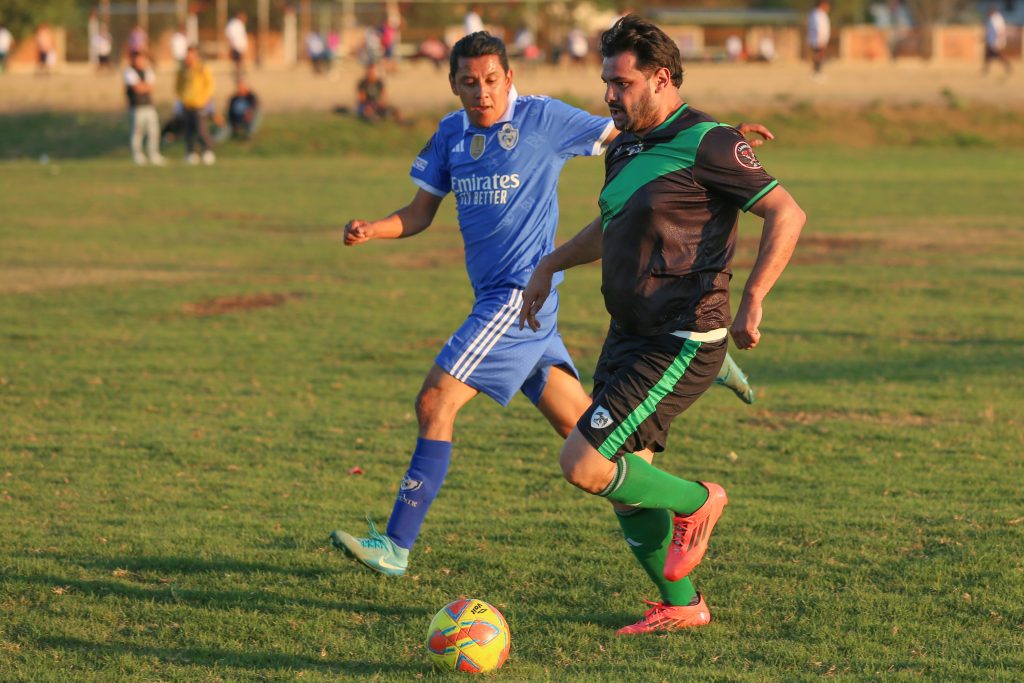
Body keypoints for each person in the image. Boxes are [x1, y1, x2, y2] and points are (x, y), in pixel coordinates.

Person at [329, 31, 770, 578]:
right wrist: (373, 228)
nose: (482, 92)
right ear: (453, 85)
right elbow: (420, 212)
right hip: (517, 306)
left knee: (435, 402)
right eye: (469, 82)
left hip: (516, 297)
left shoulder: (541, 118)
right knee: (594, 444)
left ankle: (395, 545)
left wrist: (719, 139)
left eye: (491, 80)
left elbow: (635, 128)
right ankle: (704, 376)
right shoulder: (449, 134)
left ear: (509, 78)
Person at [517, 15, 806, 635]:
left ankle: (700, 501)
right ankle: (683, 605)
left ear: (662, 78)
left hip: (682, 336)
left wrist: (754, 297)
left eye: (621, 83)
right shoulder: (625, 145)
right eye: (606, 82)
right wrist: (551, 263)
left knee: (584, 464)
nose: (608, 95)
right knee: (627, 484)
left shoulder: (710, 142)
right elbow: (613, 225)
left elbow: (788, 212)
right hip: (629, 333)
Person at [124, 51, 166, 166]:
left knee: (154, 131)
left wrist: (143, 86)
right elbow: (137, 88)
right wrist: (144, 86)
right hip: (136, 107)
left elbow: (150, 87)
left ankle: (153, 154)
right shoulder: (129, 72)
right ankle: (137, 154)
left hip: (149, 106)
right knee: (137, 132)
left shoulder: (147, 71)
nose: (140, 61)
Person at [176, 46, 216, 165]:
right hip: (187, 104)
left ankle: (207, 151)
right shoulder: (183, 69)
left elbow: (209, 84)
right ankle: (191, 152)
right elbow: (178, 86)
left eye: (191, 54)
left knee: (201, 129)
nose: (189, 57)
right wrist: (182, 98)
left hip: (200, 103)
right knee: (188, 131)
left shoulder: (202, 68)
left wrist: (205, 99)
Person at [983, 6, 1012, 76]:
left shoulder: (997, 19)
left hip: (996, 41)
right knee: (988, 55)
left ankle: (1007, 65)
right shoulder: (991, 19)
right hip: (991, 41)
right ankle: (985, 70)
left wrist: (998, 40)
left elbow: (1000, 30)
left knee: (998, 55)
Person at [807, 0, 831, 78]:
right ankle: (817, 72)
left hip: (820, 38)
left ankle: (817, 71)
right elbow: (818, 27)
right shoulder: (817, 14)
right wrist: (821, 38)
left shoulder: (821, 14)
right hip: (818, 38)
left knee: (819, 56)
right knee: (818, 56)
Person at [225, 11, 248, 81]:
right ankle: (239, 72)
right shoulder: (234, 24)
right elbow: (229, 34)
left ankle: (240, 71)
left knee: (239, 60)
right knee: (238, 60)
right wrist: (232, 44)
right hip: (236, 45)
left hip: (239, 45)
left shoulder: (239, 24)